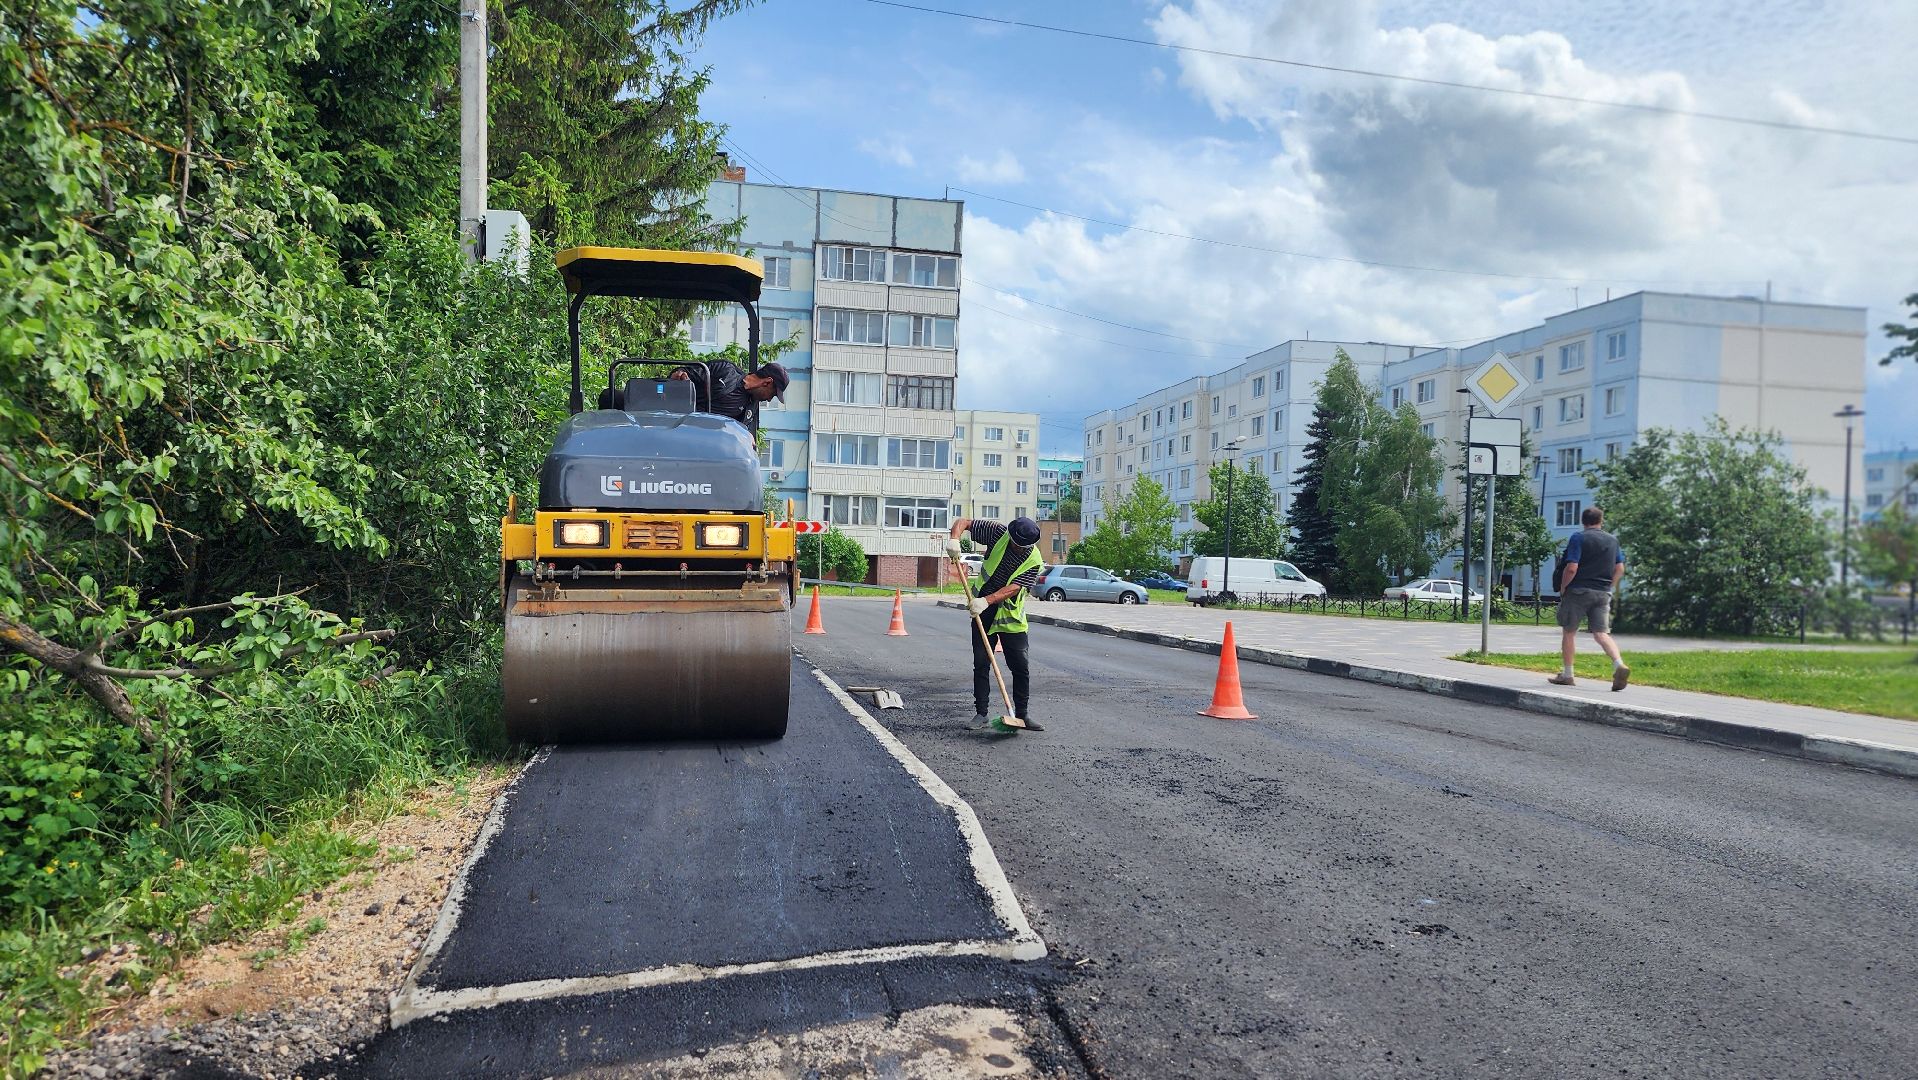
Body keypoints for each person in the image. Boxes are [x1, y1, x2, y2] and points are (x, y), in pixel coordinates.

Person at [945, 515, 1046, 732]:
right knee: (981, 662)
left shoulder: (1034, 560)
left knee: (1020, 666)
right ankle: (981, 713)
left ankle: (1023, 715)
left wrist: (986, 601)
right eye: (1014, 543)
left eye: (1021, 546)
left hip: (1011, 616)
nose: (1015, 548)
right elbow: (964, 522)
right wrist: (954, 539)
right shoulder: (999, 532)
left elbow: (1015, 587)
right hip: (983, 610)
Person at [1551, 506, 1629, 690]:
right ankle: (1619, 664)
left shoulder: (1579, 538)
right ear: (1601, 520)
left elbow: (1572, 567)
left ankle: (1568, 674)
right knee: (1601, 633)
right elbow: (1620, 569)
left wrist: (1563, 587)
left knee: (1569, 632)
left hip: (1578, 591)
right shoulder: (1613, 540)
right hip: (1602, 593)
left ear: (1583, 521)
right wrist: (1608, 586)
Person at [669, 359, 788, 425]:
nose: (768, 400)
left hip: (699, 441)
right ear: (767, 382)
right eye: (772, 394)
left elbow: (739, 434)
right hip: (674, 420)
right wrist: (680, 375)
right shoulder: (726, 370)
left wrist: (748, 437)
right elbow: (688, 372)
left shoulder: (750, 410)